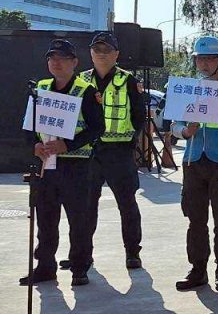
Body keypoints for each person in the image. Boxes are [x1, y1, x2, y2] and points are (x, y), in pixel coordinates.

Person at [21, 39, 104, 287]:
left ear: (74, 63)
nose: (56, 63)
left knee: (79, 219)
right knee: (46, 218)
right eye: (52, 58)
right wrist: (33, 145)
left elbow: (97, 128)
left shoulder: (86, 91)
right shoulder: (40, 89)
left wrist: (67, 145)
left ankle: (80, 266)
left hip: (75, 165)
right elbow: (28, 126)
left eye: (62, 58)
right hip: (47, 163)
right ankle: (45, 266)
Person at [172, 36, 218, 293]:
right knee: (195, 219)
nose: (204, 63)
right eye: (200, 59)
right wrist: (185, 132)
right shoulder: (187, 88)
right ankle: (198, 269)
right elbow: (174, 125)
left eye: (209, 58)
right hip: (193, 161)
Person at [78, 31, 146, 272]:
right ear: (90, 53)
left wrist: (130, 144)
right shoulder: (81, 80)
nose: (102, 54)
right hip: (89, 153)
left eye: (107, 50)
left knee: (127, 205)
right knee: (86, 206)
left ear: (116, 54)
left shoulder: (128, 81)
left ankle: (132, 253)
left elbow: (139, 117)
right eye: (97, 49)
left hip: (119, 152)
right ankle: (83, 254)